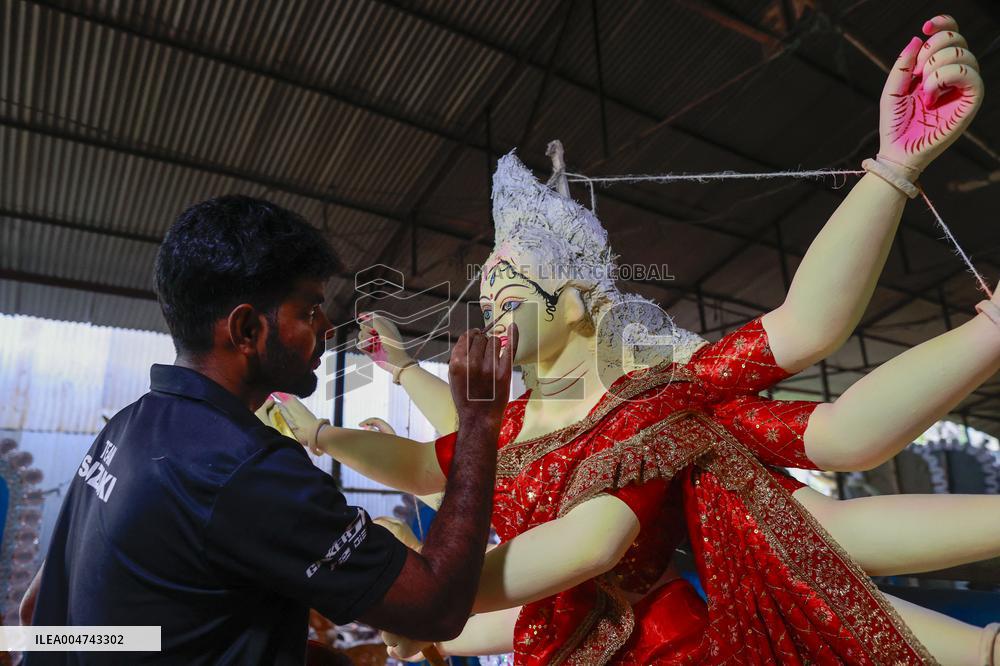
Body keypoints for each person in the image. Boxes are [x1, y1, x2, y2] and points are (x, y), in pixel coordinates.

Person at [271, 16, 1000, 665]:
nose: (488, 311)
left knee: (821, 513)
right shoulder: (515, 426)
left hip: (669, 652)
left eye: (510, 294)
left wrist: (894, 170)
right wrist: (329, 433)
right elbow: (429, 463)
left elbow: (807, 338)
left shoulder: (648, 400)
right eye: (486, 296)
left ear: (577, 300)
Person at [18, 195, 517, 665]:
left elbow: (35, 612)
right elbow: (436, 606)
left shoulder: (127, 428)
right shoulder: (245, 469)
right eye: (308, 310)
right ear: (246, 330)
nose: (325, 327)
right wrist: (477, 423)